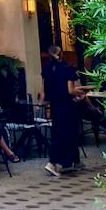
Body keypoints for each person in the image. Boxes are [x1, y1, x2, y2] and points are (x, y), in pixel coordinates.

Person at [43, 45, 86, 176]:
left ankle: (72, 160)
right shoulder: (67, 69)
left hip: (55, 106)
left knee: (59, 132)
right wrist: (83, 91)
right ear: (61, 54)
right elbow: (70, 90)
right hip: (68, 106)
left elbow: (43, 90)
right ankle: (54, 162)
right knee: (68, 133)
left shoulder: (47, 70)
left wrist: (42, 102)